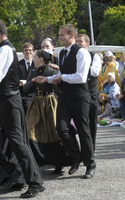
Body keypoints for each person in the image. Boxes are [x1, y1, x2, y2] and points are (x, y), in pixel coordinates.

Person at [0, 20, 45, 198]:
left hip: (9, 101)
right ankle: (11, 171)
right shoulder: (1, 49)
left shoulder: (4, 49)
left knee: (18, 141)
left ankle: (36, 182)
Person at [33, 24, 96, 179]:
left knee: (83, 131)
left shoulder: (82, 53)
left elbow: (81, 77)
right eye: (59, 35)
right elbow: (62, 74)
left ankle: (90, 164)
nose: (59, 38)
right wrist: (46, 79)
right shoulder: (61, 53)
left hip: (80, 98)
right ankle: (76, 158)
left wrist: (62, 77)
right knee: (61, 128)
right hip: (64, 97)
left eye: (62, 35)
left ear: (71, 36)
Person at [24, 49, 71, 174]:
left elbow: (58, 87)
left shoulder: (52, 70)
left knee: (53, 131)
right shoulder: (33, 70)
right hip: (36, 103)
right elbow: (25, 88)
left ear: (40, 59)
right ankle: (39, 159)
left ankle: (59, 163)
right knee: (31, 130)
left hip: (49, 102)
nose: (32, 59)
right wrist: (33, 82)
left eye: (34, 57)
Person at [76, 33, 101, 152]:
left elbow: (95, 72)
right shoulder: (73, 56)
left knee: (91, 124)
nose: (78, 44)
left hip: (91, 94)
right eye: (77, 41)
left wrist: (81, 67)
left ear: (87, 43)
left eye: (80, 41)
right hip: (77, 95)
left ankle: (91, 150)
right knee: (80, 125)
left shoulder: (94, 56)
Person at [18, 42, 35, 115]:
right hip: (23, 95)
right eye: (25, 50)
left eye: (30, 50)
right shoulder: (18, 64)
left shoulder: (36, 63)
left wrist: (25, 82)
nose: (28, 52)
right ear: (22, 52)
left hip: (35, 94)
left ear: (33, 51)